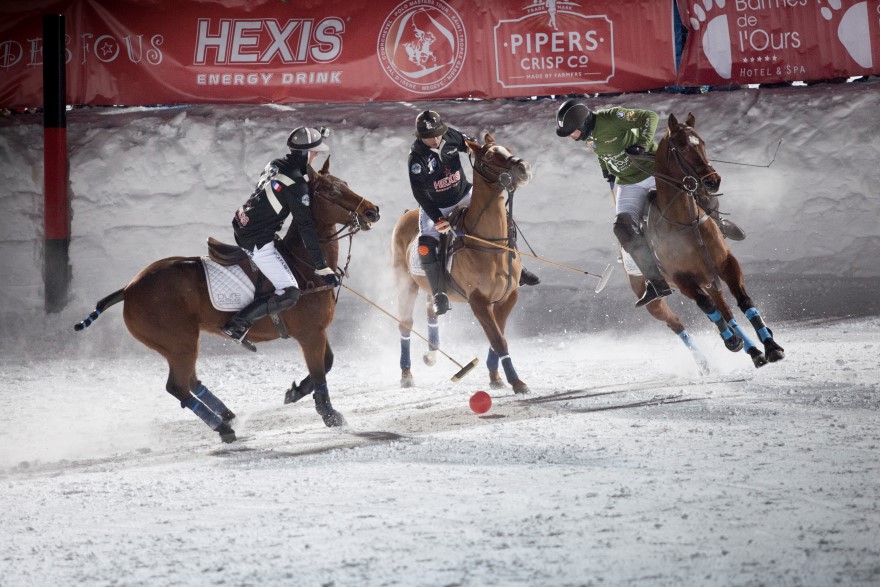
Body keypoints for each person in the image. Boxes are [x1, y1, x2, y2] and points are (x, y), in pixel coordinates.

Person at [555, 99, 744, 307]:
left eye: (572, 132)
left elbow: (650, 117)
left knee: (694, 190)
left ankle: (719, 222)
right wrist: (606, 169)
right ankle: (656, 282)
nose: (571, 137)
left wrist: (642, 144)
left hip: (653, 171)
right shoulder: (587, 136)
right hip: (628, 184)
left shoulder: (612, 117)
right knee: (622, 227)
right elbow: (602, 151)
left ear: (582, 123)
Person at [408, 110, 539, 315]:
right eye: (428, 137)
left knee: (503, 218)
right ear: (420, 137)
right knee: (426, 245)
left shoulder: (450, 135)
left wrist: (474, 151)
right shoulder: (417, 158)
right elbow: (419, 192)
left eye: (437, 134)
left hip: (463, 193)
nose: (434, 139)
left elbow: (468, 144)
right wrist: (437, 218)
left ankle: (518, 270)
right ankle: (439, 293)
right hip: (436, 205)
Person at [220, 126, 340, 351]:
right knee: (290, 292)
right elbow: (305, 228)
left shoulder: (275, 164)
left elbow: (292, 173)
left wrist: (315, 139)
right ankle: (237, 325)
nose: (316, 157)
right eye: (314, 153)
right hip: (256, 241)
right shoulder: (299, 187)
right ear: (305, 154)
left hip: (242, 223)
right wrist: (322, 267)